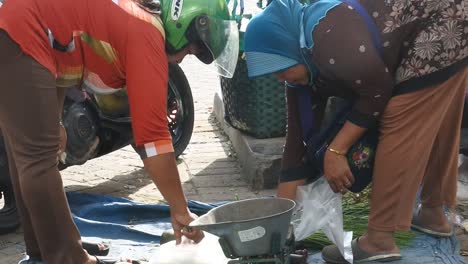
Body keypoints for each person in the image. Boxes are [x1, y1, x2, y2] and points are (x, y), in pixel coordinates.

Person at [0, 0, 238, 263]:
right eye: (191, 50)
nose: (182, 58)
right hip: (19, 31)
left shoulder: (138, 20)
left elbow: (60, 56)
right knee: (37, 161)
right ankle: (67, 256)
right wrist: (180, 210)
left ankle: (45, 248)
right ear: (187, 24)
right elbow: (152, 139)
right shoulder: (146, 33)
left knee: (26, 158)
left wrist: (55, 121)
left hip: (18, 28)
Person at [244, 0, 468, 262]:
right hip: (443, 19)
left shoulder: (326, 39)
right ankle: (432, 213)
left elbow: (377, 91)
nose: (280, 78)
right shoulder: (300, 66)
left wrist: (336, 151)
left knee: (400, 116)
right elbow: (296, 146)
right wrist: (279, 224)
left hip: (445, 21)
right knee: (437, 115)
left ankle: (379, 240)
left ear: (287, 46)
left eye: (280, 69)